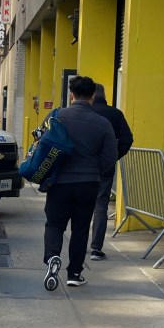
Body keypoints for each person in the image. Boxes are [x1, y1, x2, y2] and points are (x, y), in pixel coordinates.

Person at [42, 74, 116, 290]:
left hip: (59, 183)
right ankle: (74, 272)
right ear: (93, 96)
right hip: (88, 183)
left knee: (54, 224)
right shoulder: (103, 123)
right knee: (81, 228)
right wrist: (97, 173)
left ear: (71, 95)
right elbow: (109, 158)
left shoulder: (57, 116)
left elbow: (41, 144)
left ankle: (52, 257)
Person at [88, 83, 133, 260]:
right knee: (100, 206)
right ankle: (96, 249)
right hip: (104, 167)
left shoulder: (84, 113)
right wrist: (114, 156)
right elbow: (127, 140)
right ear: (104, 94)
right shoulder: (115, 114)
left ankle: (79, 242)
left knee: (82, 206)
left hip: (83, 167)